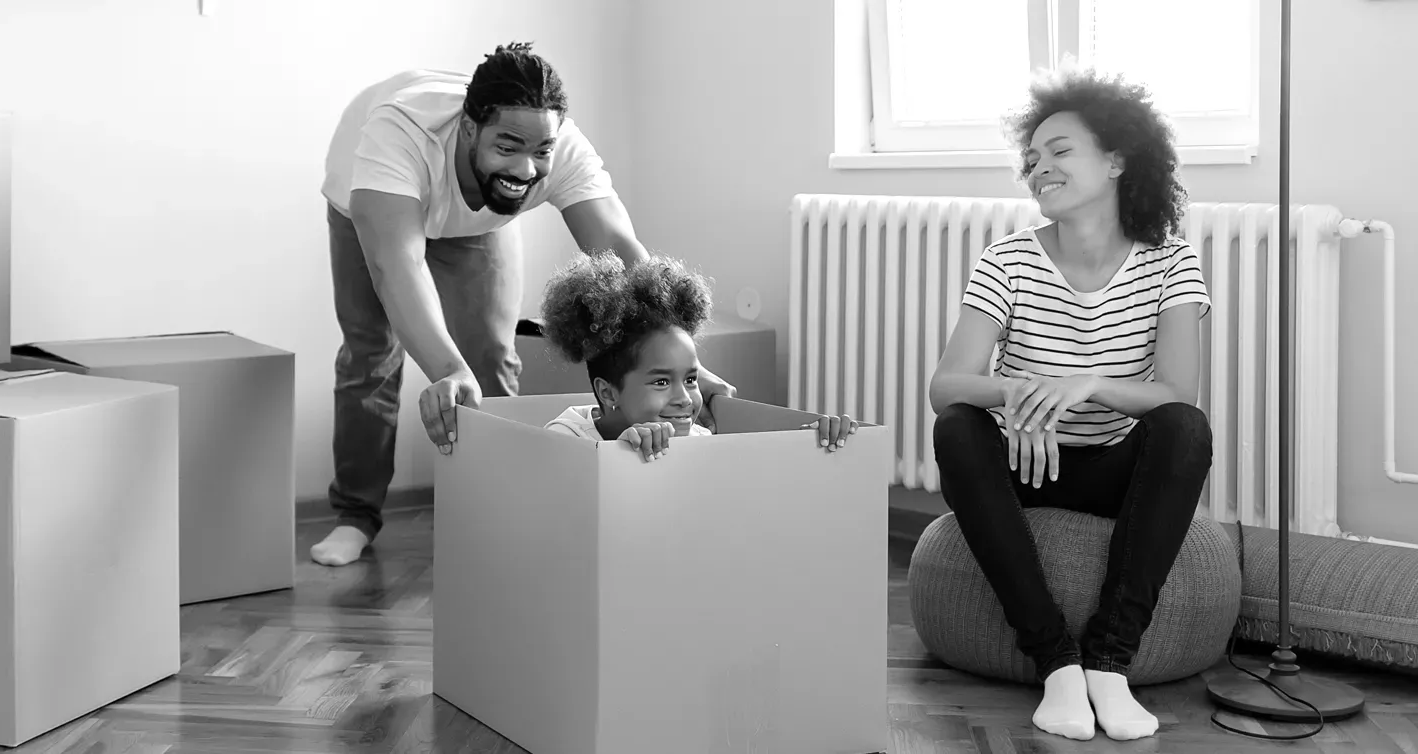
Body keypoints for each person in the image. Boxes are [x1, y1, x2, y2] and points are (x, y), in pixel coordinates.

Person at [313, 43, 734, 567]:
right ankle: (356, 516)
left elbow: (629, 262)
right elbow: (397, 268)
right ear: (470, 129)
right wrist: (444, 368)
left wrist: (691, 369)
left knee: (489, 355)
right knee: (372, 351)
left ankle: (498, 507)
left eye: (540, 152)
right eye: (508, 146)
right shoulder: (396, 135)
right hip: (371, 209)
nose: (526, 166)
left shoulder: (562, 148)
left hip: (478, 220)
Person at [928, 64, 1213, 743]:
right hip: (1029, 463)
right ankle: (1056, 661)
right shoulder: (1007, 261)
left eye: (1060, 152)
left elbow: (1177, 395)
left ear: (1116, 159)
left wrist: (1085, 382)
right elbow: (947, 385)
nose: (1039, 169)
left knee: (1185, 429)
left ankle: (1109, 661)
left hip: (1116, 469)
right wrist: (1017, 390)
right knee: (959, 429)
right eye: (1032, 159)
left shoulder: (1171, 263)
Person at [540, 251, 857, 456]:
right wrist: (622, 456)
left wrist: (809, 448)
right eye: (662, 382)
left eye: (691, 379)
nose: (685, 399)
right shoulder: (566, 437)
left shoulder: (695, 437)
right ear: (608, 392)